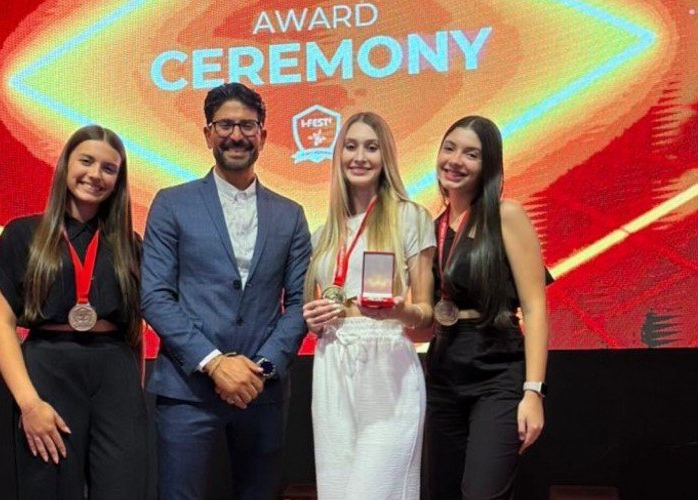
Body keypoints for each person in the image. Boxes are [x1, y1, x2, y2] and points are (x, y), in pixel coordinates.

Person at [141, 82, 311, 500]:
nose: (236, 135)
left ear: (264, 135)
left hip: (262, 389)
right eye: (226, 124)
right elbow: (155, 297)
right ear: (207, 133)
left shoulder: (290, 214)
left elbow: (300, 302)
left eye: (247, 125)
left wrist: (262, 367)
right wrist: (215, 364)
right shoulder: (171, 204)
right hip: (187, 388)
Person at [0, 125, 147, 499]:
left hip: (114, 373)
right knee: (50, 489)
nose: (95, 175)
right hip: (47, 371)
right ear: (65, 165)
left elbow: (136, 330)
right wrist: (28, 403)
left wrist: (131, 396)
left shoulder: (129, 245)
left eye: (109, 168)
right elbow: (1, 325)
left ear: (118, 180)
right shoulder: (24, 235)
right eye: (86, 161)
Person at [302, 112, 435, 499]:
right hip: (331, 364)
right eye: (351, 146)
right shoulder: (322, 235)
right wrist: (312, 319)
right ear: (338, 155)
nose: (360, 157)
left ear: (385, 157)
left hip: (388, 366)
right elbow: (317, 308)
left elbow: (426, 320)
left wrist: (399, 311)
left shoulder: (410, 218)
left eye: (371, 147)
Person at [425, 116, 550, 499]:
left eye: (471, 154)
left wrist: (533, 392)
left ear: (488, 164)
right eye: (450, 148)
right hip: (443, 371)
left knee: (482, 493)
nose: (456, 160)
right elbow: (425, 313)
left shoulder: (505, 215)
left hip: (497, 372)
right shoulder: (433, 227)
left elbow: (535, 306)